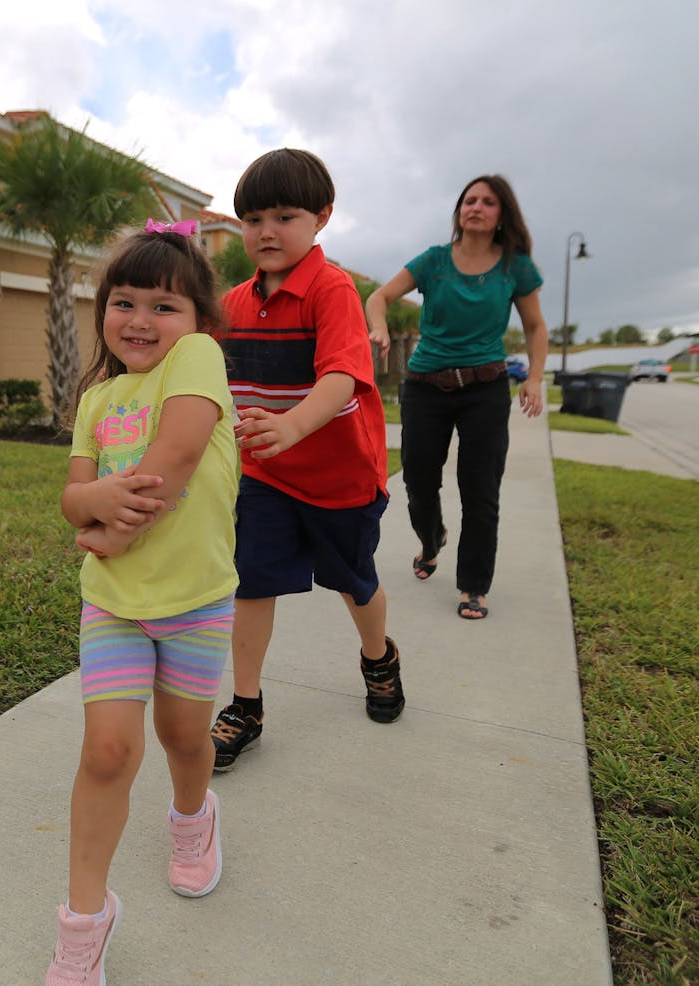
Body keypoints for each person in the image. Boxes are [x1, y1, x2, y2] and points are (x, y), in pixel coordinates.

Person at [46, 220, 239, 985]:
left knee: (186, 737)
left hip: (195, 601)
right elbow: (72, 496)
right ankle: (83, 922)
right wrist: (90, 501)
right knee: (106, 754)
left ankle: (193, 819)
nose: (140, 320)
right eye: (123, 302)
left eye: (165, 305)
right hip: (115, 606)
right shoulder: (96, 398)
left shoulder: (200, 360)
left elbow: (180, 454)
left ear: (197, 322)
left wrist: (115, 528)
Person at [209, 148, 401, 774]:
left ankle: (378, 658)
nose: (266, 231)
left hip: (340, 478)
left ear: (321, 218)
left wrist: (292, 425)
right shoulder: (233, 304)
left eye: (284, 216)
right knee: (252, 580)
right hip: (265, 473)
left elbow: (345, 374)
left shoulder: (331, 287)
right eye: (253, 218)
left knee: (352, 581)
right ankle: (245, 705)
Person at [365, 174, 548, 621]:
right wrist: (380, 326)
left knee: (480, 490)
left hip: (485, 390)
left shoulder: (515, 266)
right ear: (459, 210)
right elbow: (380, 296)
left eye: (488, 202)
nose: (476, 207)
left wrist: (535, 378)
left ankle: (474, 586)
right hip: (426, 386)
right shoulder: (434, 261)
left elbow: (536, 326)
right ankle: (432, 540)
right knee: (419, 482)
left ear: (502, 213)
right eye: (469, 200)